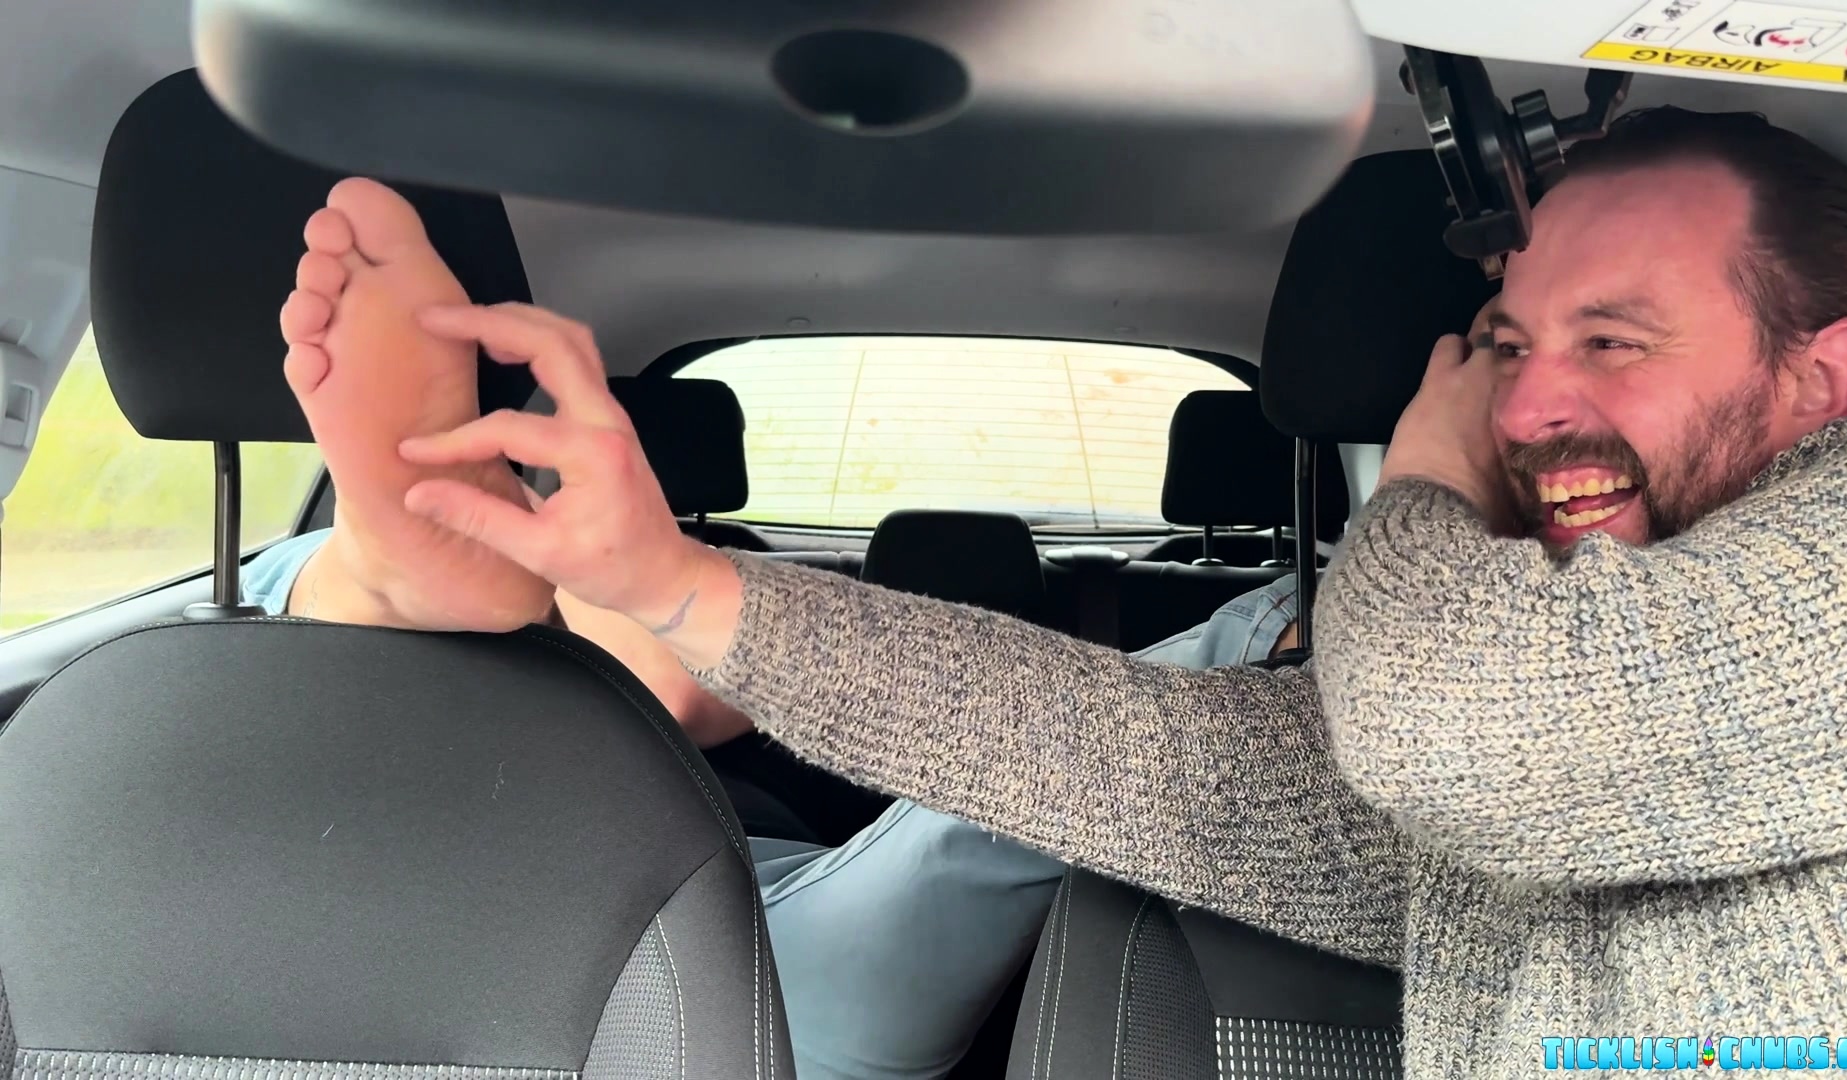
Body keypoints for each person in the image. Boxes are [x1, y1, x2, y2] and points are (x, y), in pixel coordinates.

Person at [279, 104, 1847, 1072]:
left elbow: (1453, 720)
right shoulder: (1592, 721)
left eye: (1612, 343)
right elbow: (1150, 767)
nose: (1529, 401)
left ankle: (426, 592)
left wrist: (1422, 483)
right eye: (1504, 344)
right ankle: (415, 579)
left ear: (1827, 379)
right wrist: (677, 579)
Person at [246, 177, 1314, 1078]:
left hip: (496, 916)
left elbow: (689, 695)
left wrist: (671, 589)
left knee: (287, 621)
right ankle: (398, 578)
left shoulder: (149, 682)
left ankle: (374, 578)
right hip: (699, 946)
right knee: (1009, 815)